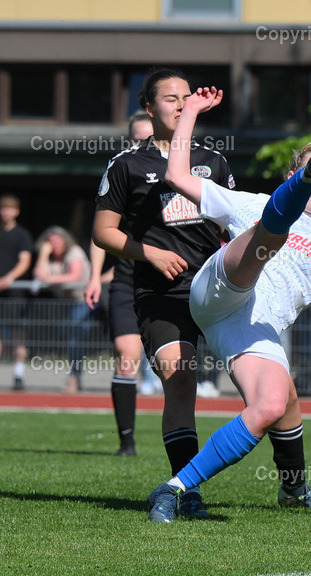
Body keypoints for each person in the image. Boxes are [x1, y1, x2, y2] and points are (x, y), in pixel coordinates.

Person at [146, 86, 311, 522]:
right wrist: (191, 112)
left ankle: (189, 488)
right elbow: (176, 174)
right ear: (295, 171)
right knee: (267, 237)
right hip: (220, 289)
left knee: (277, 403)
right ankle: (287, 198)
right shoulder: (247, 202)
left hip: (250, 329)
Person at [94, 68, 311, 517]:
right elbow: (103, 233)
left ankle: (295, 489)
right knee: (182, 381)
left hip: (220, 293)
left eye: (187, 96)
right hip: (162, 295)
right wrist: (151, 254)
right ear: (148, 107)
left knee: (280, 395)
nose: (182, 104)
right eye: (170, 98)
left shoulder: (213, 161)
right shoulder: (126, 164)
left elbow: (235, 222)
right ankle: (186, 492)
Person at [84, 110, 155, 455]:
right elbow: (100, 234)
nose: (143, 145)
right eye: (138, 139)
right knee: (127, 356)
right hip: (127, 280)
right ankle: (126, 441)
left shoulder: (179, 173)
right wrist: (96, 277)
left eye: (149, 139)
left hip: (170, 282)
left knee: (176, 367)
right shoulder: (119, 174)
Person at [33, 226, 92, 394]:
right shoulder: (50, 258)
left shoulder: (74, 252)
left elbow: (75, 276)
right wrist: (44, 254)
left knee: (76, 341)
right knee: (70, 341)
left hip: (84, 302)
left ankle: (75, 377)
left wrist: (49, 279)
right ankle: (75, 376)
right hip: (67, 304)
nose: (54, 244)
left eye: (57, 240)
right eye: (50, 242)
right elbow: (39, 274)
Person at [0, 194, 32, 391]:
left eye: (10, 208)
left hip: (15, 294)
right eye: (3, 208)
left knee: (18, 336)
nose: (6, 212)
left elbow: (25, 261)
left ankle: (18, 375)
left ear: (16, 211)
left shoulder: (22, 235)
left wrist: (7, 280)